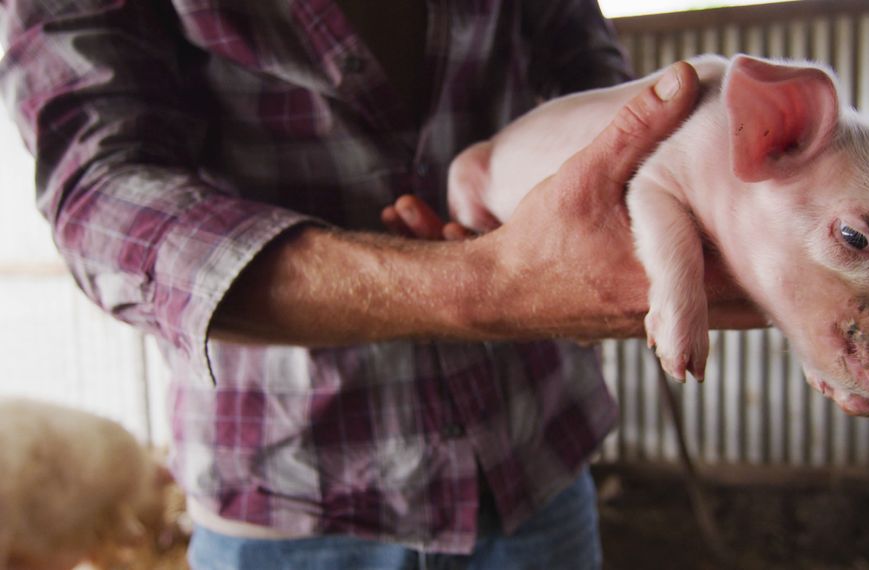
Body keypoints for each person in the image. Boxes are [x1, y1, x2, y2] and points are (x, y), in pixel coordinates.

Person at [0, 1, 760, 568]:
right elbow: (105, 200)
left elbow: (589, 71)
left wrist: (641, 193)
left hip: (537, 465)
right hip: (293, 509)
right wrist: (482, 285)